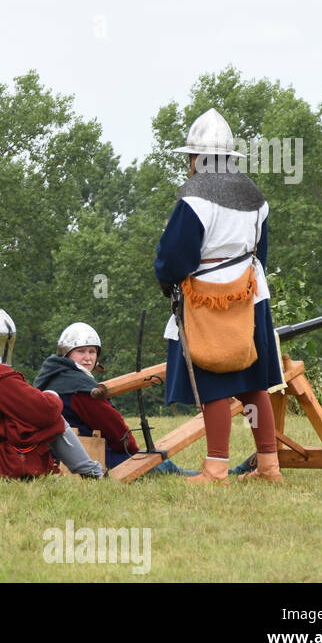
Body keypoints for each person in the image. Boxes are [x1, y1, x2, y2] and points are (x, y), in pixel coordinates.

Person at [155, 108, 284, 484]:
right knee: (251, 384)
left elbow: (176, 256)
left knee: (213, 383)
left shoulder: (194, 198)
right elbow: (262, 253)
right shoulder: (256, 197)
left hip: (207, 299)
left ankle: (215, 470)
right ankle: (268, 466)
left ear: (196, 159)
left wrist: (166, 277)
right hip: (251, 295)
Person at [0, 309, 104, 481]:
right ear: (7, 343)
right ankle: (92, 472)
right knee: (53, 419)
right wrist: (52, 395)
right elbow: (44, 411)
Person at [35, 322, 214, 477]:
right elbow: (113, 428)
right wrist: (133, 454)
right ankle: (228, 474)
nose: (88, 358)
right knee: (164, 469)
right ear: (67, 354)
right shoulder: (79, 387)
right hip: (94, 459)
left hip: (57, 457)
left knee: (165, 468)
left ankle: (228, 472)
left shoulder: (51, 377)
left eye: (92, 351)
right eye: (81, 352)